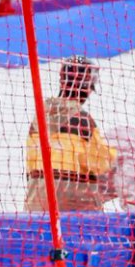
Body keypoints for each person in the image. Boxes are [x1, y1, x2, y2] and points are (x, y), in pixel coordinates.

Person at [25, 56, 116, 213]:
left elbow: (31, 161)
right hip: (72, 208)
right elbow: (101, 164)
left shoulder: (38, 118)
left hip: (35, 205)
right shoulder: (83, 121)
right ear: (87, 87)